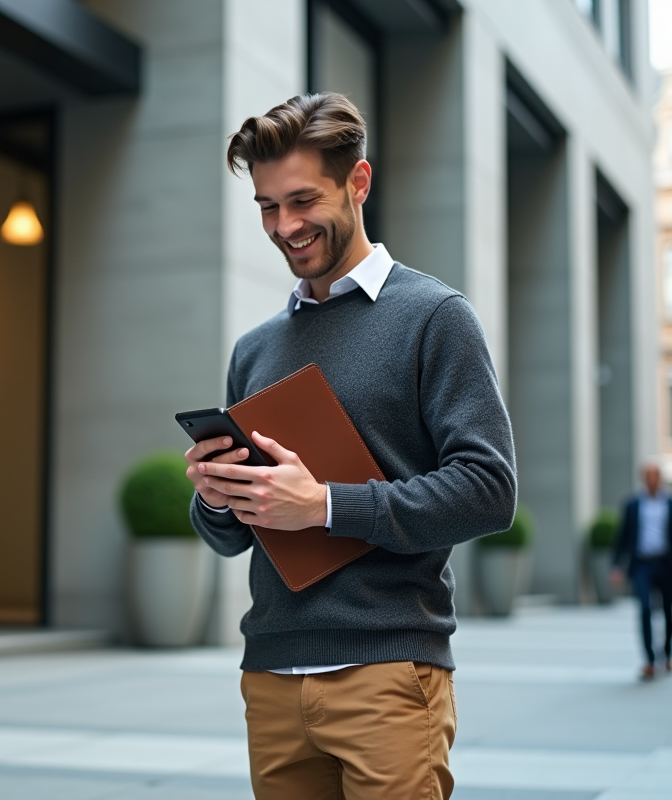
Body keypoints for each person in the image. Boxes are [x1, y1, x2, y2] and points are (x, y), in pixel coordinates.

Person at [184, 93, 517, 800]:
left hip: (387, 672)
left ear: (358, 183)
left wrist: (327, 505)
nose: (285, 226)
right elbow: (232, 540)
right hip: (272, 676)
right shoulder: (255, 350)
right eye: (268, 207)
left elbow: (490, 490)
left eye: (303, 200)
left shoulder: (434, 318)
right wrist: (217, 498)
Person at [610, 463, 672, 680]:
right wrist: (617, 566)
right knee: (645, 609)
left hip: (667, 564)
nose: (651, 479)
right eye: (647, 476)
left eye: (654, 475)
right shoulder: (632, 504)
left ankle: (667, 655)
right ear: (642, 478)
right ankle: (648, 660)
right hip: (642, 564)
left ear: (661, 478)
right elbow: (622, 538)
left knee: (668, 611)